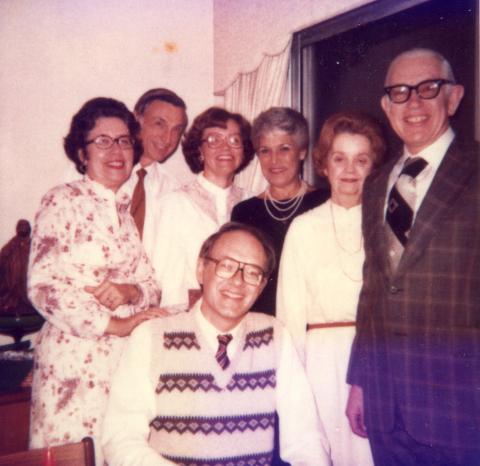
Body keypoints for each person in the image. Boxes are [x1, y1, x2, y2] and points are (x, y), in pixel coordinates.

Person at [346, 48, 479, 465]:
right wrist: (360, 382)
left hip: (463, 405)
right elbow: (374, 289)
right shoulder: (376, 184)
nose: (414, 103)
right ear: (386, 107)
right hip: (387, 404)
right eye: (400, 92)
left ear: (454, 98)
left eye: (428, 88)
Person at [102, 222, 330, 466]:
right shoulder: (151, 337)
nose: (237, 282)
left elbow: (306, 439)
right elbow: (120, 437)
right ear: (201, 269)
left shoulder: (275, 336)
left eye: (252, 273)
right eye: (227, 266)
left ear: (262, 286)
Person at [27, 97, 162, 462]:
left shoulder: (123, 213)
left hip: (121, 366)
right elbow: (44, 286)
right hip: (73, 366)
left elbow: (152, 286)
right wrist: (115, 324)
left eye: (123, 141)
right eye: (102, 141)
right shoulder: (62, 201)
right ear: (82, 153)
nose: (116, 150)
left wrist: (130, 290)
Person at [277, 112, 385, 466]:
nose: (350, 169)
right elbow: (290, 317)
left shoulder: (388, 225)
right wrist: (294, 390)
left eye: (361, 159)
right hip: (321, 365)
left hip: (376, 359)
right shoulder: (304, 228)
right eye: (340, 158)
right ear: (324, 164)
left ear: (374, 167)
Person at [151, 107, 254, 311]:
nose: (226, 147)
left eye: (234, 140)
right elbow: (167, 279)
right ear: (199, 150)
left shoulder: (253, 203)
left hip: (244, 315)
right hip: (190, 318)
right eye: (214, 140)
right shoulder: (175, 203)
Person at [231, 107, 329, 316]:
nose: (274, 160)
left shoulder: (325, 202)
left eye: (284, 148)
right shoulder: (244, 212)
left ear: (302, 151)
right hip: (261, 324)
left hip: (314, 322)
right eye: (265, 150)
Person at [123, 88, 188, 257]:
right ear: (137, 120)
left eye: (176, 130)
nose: (167, 138)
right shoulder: (99, 172)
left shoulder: (174, 190)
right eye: (160, 124)